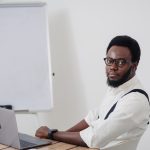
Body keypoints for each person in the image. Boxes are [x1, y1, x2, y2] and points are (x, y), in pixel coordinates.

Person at [35, 35, 150, 150]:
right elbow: (93, 117)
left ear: (134, 66)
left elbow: (94, 138)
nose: (112, 67)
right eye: (109, 61)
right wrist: (56, 138)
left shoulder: (136, 100)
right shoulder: (119, 86)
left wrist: (51, 134)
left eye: (120, 62)